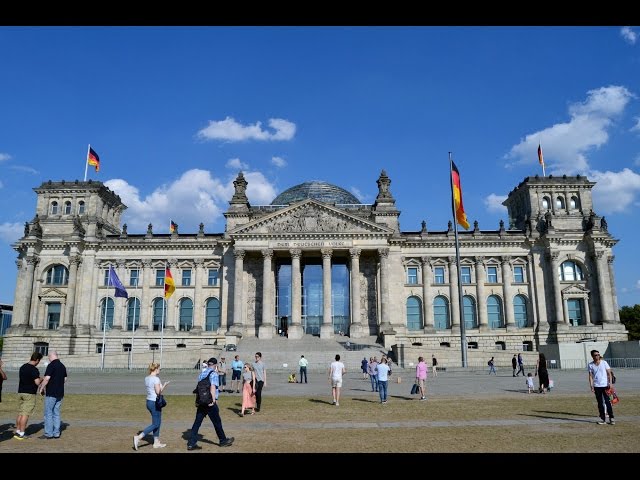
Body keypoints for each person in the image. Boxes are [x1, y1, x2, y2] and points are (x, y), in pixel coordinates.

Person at [187, 357, 234, 450]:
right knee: (217, 422)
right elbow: (213, 388)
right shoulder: (214, 374)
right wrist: (213, 400)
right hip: (209, 402)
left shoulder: (202, 374)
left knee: (197, 423)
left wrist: (197, 401)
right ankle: (223, 440)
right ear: (216, 365)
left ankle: (191, 443)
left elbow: (198, 389)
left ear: (208, 364)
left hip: (201, 402)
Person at [133, 362, 170, 450]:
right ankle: (139, 437)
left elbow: (154, 390)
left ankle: (156, 442)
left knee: (157, 422)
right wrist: (163, 386)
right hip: (155, 402)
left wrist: (163, 385)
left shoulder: (146, 378)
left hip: (149, 401)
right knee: (156, 423)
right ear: (156, 369)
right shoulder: (156, 379)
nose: (159, 370)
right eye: (159, 369)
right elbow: (158, 392)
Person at [37, 350, 67, 439]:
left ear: (50, 356)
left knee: (48, 413)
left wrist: (41, 388)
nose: (49, 359)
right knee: (56, 413)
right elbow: (65, 379)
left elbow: (46, 378)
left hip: (51, 393)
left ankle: (48, 433)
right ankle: (56, 433)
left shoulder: (51, 365)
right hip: (60, 393)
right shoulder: (62, 366)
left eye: (49, 357)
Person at [14, 352, 43, 440]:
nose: (39, 362)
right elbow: (37, 382)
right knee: (25, 414)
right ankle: (22, 433)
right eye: (39, 361)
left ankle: (18, 431)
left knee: (20, 413)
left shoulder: (22, 367)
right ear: (37, 360)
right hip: (29, 394)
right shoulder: (34, 369)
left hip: (20, 392)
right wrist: (42, 378)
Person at [588, 349, 615, 425]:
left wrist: (610, 383)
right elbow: (590, 376)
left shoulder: (604, 363)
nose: (597, 356)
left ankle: (611, 418)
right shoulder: (590, 365)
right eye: (596, 355)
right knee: (600, 403)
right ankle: (603, 419)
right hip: (597, 386)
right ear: (592, 356)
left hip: (605, 385)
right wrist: (591, 386)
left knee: (607, 402)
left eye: (598, 355)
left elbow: (609, 373)